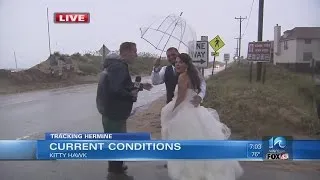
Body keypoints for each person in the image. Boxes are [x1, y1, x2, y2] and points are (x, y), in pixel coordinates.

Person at [161, 53, 243, 180]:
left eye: (180, 62)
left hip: (185, 110)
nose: (177, 64)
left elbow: (181, 97)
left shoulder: (183, 77)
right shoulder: (193, 75)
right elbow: (198, 90)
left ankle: (190, 172)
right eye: (176, 62)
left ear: (187, 65)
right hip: (195, 109)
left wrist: (173, 111)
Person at [96, 42, 152, 180]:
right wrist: (131, 95)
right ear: (126, 52)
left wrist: (140, 86)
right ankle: (116, 173)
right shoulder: (119, 67)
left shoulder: (115, 66)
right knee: (116, 142)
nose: (136, 55)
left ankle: (117, 167)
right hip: (114, 113)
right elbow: (117, 89)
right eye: (135, 51)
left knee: (115, 141)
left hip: (110, 111)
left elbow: (123, 85)